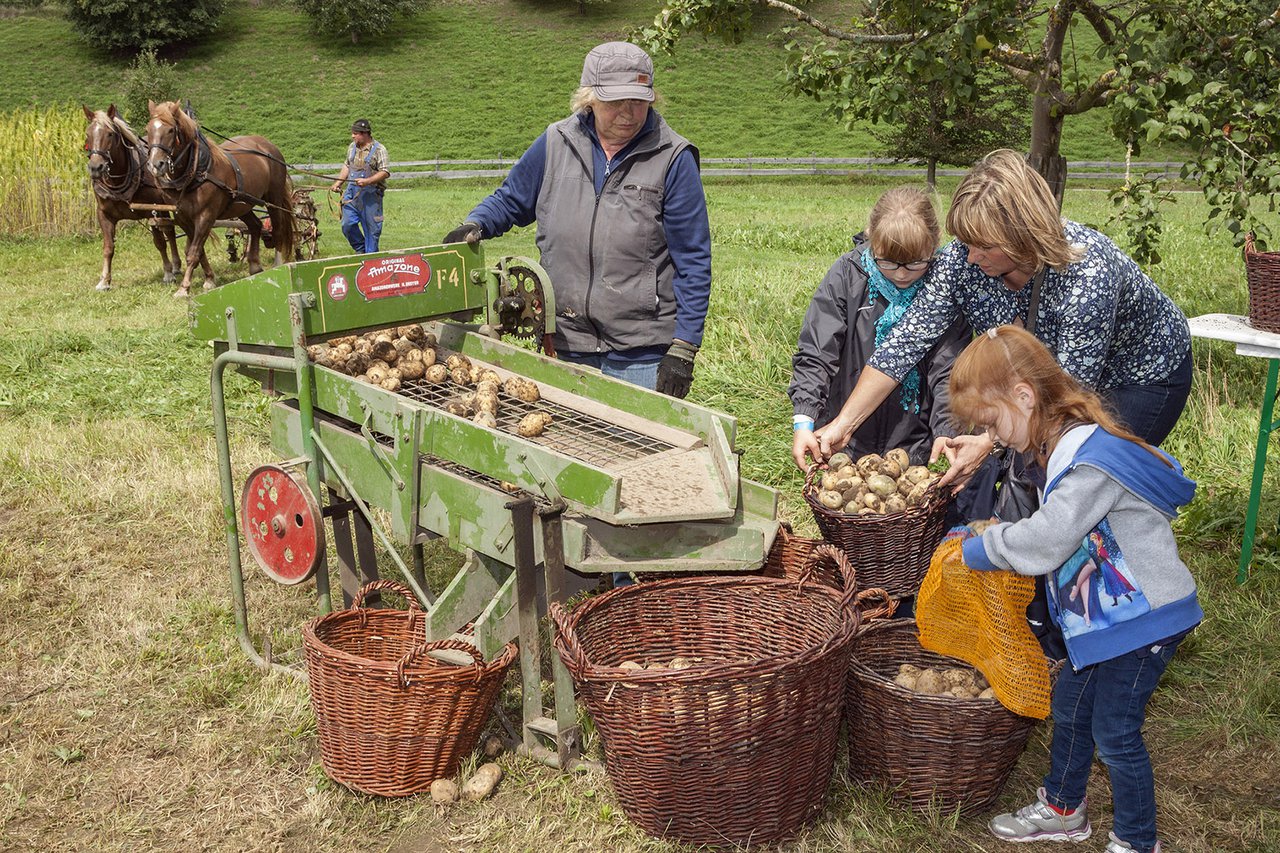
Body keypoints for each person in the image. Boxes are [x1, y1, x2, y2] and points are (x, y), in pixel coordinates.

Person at [950, 325, 1200, 853]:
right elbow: (1053, 527)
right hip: (1108, 621)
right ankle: (1064, 808)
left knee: (1116, 732)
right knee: (1070, 706)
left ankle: (1137, 839)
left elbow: (1049, 538)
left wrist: (985, 548)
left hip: (1144, 620)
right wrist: (989, 532)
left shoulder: (1089, 461)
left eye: (992, 423)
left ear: (1023, 396)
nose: (992, 436)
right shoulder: (1056, 444)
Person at [813, 149, 1193, 493]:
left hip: (1141, 377)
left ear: (1024, 237)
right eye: (967, 241)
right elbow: (904, 344)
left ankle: (1100, 557)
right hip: (1053, 383)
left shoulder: (1087, 277)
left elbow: (1066, 397)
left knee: (1083, 473)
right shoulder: (962, 260)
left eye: (985, 246)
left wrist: (989, 440)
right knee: (1028, 466)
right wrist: (843, 424)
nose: (972, 256)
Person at [441, 41, 711, 400]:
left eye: (639, 100)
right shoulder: (556, 142)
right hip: (566, 340)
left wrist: (684, 348)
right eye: (616, 102)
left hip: (641, 351)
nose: (629, 113)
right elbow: (512, 199)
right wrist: (477, 223)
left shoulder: (673, 158)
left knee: (637, 453)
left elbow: (693, 259)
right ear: (589, 99)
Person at [789, 187, 970, 471]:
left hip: (912, 445)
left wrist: (947, 427)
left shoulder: (942, 289)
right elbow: (817, 352)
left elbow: (950, 369)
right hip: (844, 438)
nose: (900, 273)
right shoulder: (848, 277)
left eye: (915, 262)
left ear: (934, 245)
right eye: (886, 261)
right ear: (872, 239)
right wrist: (804, 419)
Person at [330, 118, 389, 254]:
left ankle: (370, 258)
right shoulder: (352, 147)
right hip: (352, 194)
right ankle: (361, 250)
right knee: (347, 225)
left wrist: (368, 181)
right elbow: (347, 165)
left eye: (355, 133)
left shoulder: (379, 149)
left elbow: (385, 172)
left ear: (365, 133)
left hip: (371, 196)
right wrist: (338, 182)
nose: (353, 136)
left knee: (372, 229)